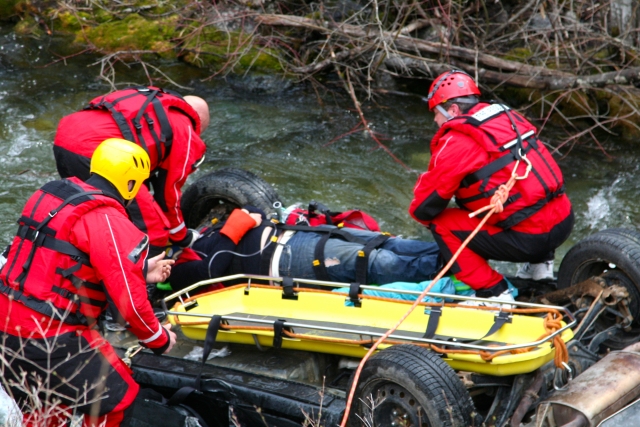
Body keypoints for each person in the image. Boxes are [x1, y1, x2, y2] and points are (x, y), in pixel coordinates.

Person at [0, 138, 176, 427]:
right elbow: (130, 304)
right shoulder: (110, 220)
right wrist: (159, 339)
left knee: (44, 408)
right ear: (130, 184)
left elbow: (53, 259)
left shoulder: (51, 195)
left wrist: (139, 269)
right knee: (118, 400)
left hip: (6, 321)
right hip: (47, 334)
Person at [409, 70, 574, 304]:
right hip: (564, 221)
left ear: (452, 110)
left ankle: (493, 291)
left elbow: (424, 207)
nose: (435, 120)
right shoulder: (508, 117)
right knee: (526, 196)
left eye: (436, 113)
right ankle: (540, 267)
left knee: (441, 222)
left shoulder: (458, 140)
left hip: (531, 238)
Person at [53, 86, 208, 255]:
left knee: (91, 211)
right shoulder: (185, 128)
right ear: (198, 121)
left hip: (65, 136)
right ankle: (147, 277)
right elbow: (168, 194)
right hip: (96, 150)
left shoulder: (154, 99)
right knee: (153, 229)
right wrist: (182, 237)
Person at [167, 207, 443, 292]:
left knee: (386, 241)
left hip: (298, 235)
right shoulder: (173, 272)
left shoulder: (200, 235)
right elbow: (211, 269)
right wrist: (236, 226)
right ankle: (453, 273)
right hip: (284, 262)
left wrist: (251, 217)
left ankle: (460, 258)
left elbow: (257, 212)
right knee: (377, 261)